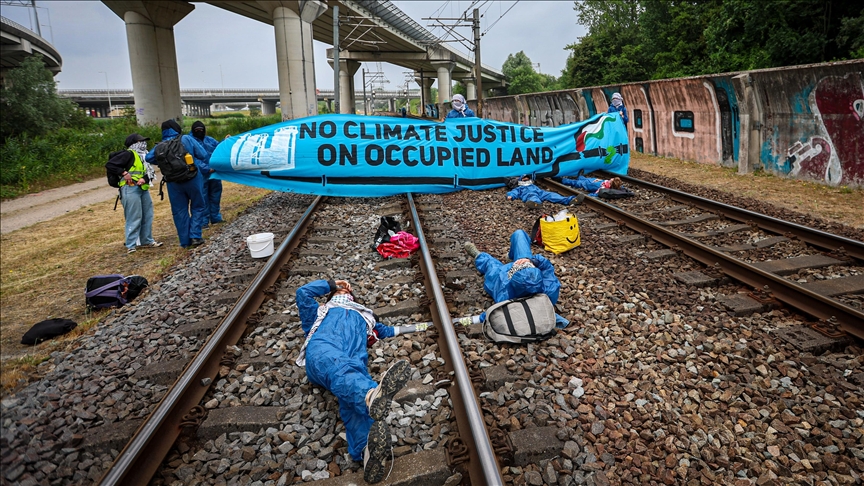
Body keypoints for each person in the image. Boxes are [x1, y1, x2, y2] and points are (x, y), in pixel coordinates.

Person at [295, 279, 414, 484]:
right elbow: (302, 293)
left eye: (346, 289)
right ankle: (369, 396)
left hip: (353, 366)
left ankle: (367, 451)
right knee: (343, 371)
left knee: (350, 399)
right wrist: (331, 284)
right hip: (322, 354)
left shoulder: (367, 317)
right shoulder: (320, 311)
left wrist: (435, 324)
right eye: (339, 290)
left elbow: (391, 331)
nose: (344, 290)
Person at [464, 231, 569, 328]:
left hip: (499, 277)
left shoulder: (505, 297)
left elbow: (489, 314)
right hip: (523, 267)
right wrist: (531, 261)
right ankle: (511, 257)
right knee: (519, 234)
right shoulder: (549, 289)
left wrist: (464, 321)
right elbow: (547, 267)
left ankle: (479, 256)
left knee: (490, 264)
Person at [146, 119, 208, 248]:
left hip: (173, 182)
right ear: (177, 128)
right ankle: (195, 236)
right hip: (192, 178)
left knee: (179, 211)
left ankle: (185, 242)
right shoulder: (186, 138)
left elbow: (149, 157)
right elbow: (203, 154)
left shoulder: (160, 145)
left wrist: (166, 161)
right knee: (198, 206)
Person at [105, 133, 163, 254]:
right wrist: (124, 173)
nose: (143, 143)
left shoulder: (144, 156)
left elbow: (148, 172)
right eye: (140, 141)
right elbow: (110, 165)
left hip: (142, 188)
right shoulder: (128, 154)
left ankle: (146, 240)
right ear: (133, 143)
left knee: (147, 215)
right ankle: (131, 244)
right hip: (129, 189)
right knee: (134, 217)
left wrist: (145, 179)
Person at [188, 121, 223, 226]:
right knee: (202, 199)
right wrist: (206, 169)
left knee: (215, 196)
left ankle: (215, 217)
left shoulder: (210, 140)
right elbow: (192, 159)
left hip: (214, 174)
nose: (199, 131)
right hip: (200, 175)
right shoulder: (190, 142)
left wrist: (225, 141)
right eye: (197, 130)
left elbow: (220, 148)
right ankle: (203, 221)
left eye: (201, 129)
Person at [506, 175, 584, 209]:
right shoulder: (520, 187)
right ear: (521, 180)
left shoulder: (532, 185)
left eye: (527, 178)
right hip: (529, 194)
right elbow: (514, 192)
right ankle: (535, 204)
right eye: (524, 178)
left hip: (540, 192)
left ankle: (570, 200)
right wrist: (510, 196)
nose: (526, 179)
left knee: (552, 195)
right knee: (532, 197)